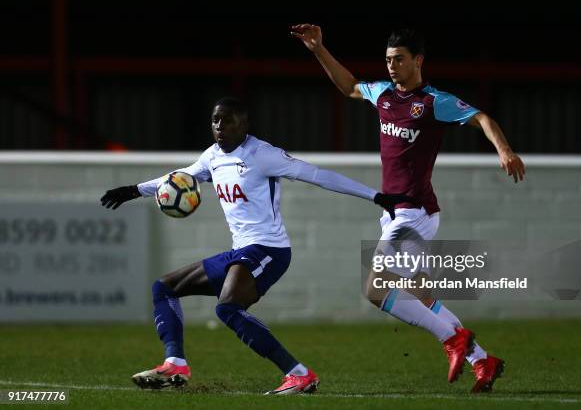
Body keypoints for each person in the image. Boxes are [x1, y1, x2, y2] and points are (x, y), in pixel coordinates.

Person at [100, 97, 410, 395]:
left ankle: (298, 374)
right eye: (215, 120)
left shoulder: (263, 155)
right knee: (164, 288)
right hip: (241, 251)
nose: (219, 126)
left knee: (227, 308)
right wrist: (134, 190)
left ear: (244, 125)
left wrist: (375, 196)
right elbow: (179, 178)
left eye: (228, 121)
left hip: (268, 250)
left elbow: (316, 175)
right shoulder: (212, 157)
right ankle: (175, 364)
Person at [292, 25, 525, 392]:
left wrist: (504, 149)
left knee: (375, 288)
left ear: (418, 60)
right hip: (396, 213)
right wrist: (319, 49)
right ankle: (483, 361)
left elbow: (482, 117)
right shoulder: (383, 94)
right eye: (387, 60)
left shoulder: (434, 102)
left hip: (414, 214)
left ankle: (453, 341)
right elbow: (349, 86)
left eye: (399, 59)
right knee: (420, 294)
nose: (391, 66)